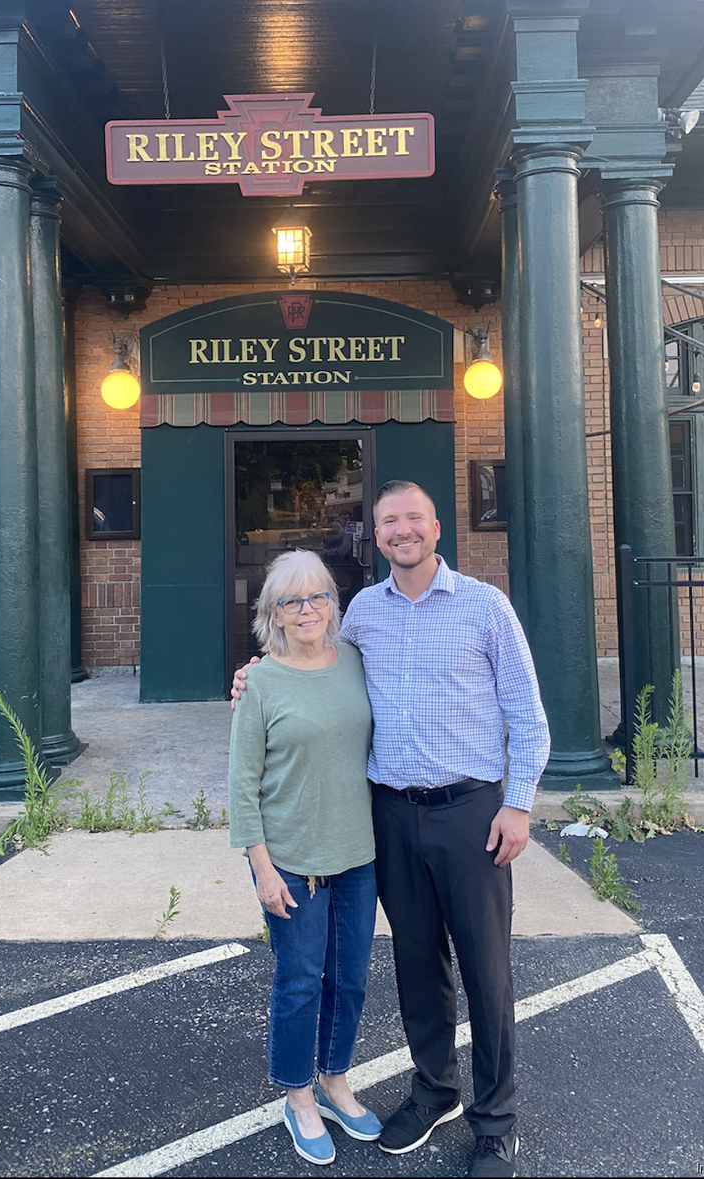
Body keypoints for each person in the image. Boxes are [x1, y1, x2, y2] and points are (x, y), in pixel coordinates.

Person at [234, 481, 550, 1179]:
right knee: (417, 963)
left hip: (472, 811)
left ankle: (496, 1124)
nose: (403, 531)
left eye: (414, 518)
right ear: (374, 536)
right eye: (389, 522)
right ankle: (434, 1089)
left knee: (485, 971)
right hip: (390, 815)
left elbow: (528, 716)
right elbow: (306, 656)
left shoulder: (484, 606)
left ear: (437, 527)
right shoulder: (363, 616)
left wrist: (518, 802)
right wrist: (254, 675)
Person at [228, 549, 383, 1167]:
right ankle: (298, 1096)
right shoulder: (260, 681)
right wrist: (262, 869)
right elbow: (242, 784)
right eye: (293, 600)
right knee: (299, 982)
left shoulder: (356, 663)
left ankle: (335, 1078)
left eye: (318, 596)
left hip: (357, 853)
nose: (308, 609)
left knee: (349, 979)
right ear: (274, 614)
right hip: (289, 857)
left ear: (332, 603)